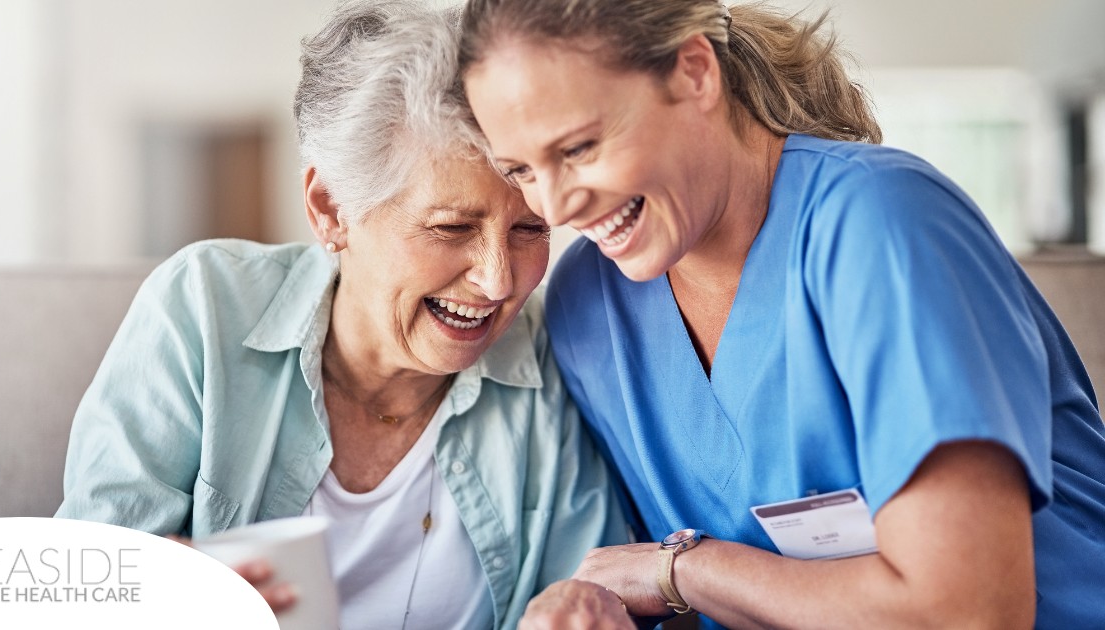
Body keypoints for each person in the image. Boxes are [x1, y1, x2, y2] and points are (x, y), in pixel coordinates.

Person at [457, 1, 1105, 628]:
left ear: (695, 72)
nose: (557, 206)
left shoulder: (881, 223)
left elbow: (969, 614)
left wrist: (681, 571)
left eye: (578, 148)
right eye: (521, 169)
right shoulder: (590, 305)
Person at [56, 2, 626, 628]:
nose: (498, 281)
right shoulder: (204, 306)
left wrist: (591, 604)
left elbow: (591, 581)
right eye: (450, 228)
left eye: (530, 229)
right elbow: (83, 581)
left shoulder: (547, 351)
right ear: (331, 210)